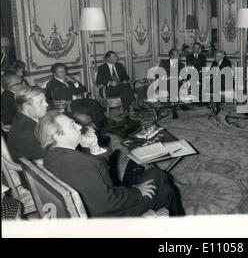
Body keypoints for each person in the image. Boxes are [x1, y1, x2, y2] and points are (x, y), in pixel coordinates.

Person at [37, 110, 185, 217]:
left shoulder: (51, 157)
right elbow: (107, 202)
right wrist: (137, 191)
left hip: (96, 205)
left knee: (166, 190)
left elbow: (96, 173)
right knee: (157, 173)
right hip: (111, 215)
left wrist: (94, 146)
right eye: (72, 125)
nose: (79, 126)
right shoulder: (75, 162)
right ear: (57, 135)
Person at [46, 63, 106, 129]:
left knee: (94, 102)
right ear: (54, 74)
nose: (63, 73)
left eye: (64, 71)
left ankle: (98, 126)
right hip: (68, 105)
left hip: (78, 101)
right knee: (91, 108)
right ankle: (98, 127)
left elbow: (82, 89)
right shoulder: (52, 83)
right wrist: (75, 97)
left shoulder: (68, 79)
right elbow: (59, 97)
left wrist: (74, 81)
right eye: (60, 72)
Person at [7, 85, 48, 162]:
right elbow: (50, 159)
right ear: (26, 106)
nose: (46, 104)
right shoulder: (26, 134)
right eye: (41, 102)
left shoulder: (20, 117)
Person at [96, 51, 135, 115]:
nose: (116, 58)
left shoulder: (119, 65)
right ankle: (131, 103)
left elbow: (126, 77)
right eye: (114, 57)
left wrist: (125, 80)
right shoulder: (102, 68)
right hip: (108, 89)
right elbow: (98, 81)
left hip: (120, 87)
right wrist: (109, 82)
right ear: (108, 59)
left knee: (124, 87)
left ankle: (126, 110)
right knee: (125, 87)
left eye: (116, 56)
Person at [159, 49, 185, 119]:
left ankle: (175, 105)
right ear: (171, 56)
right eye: (177, 55)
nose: (178, 56)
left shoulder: (181, 64)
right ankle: (174, 107)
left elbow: (183, 76)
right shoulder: (164, 63)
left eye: (178, 55)